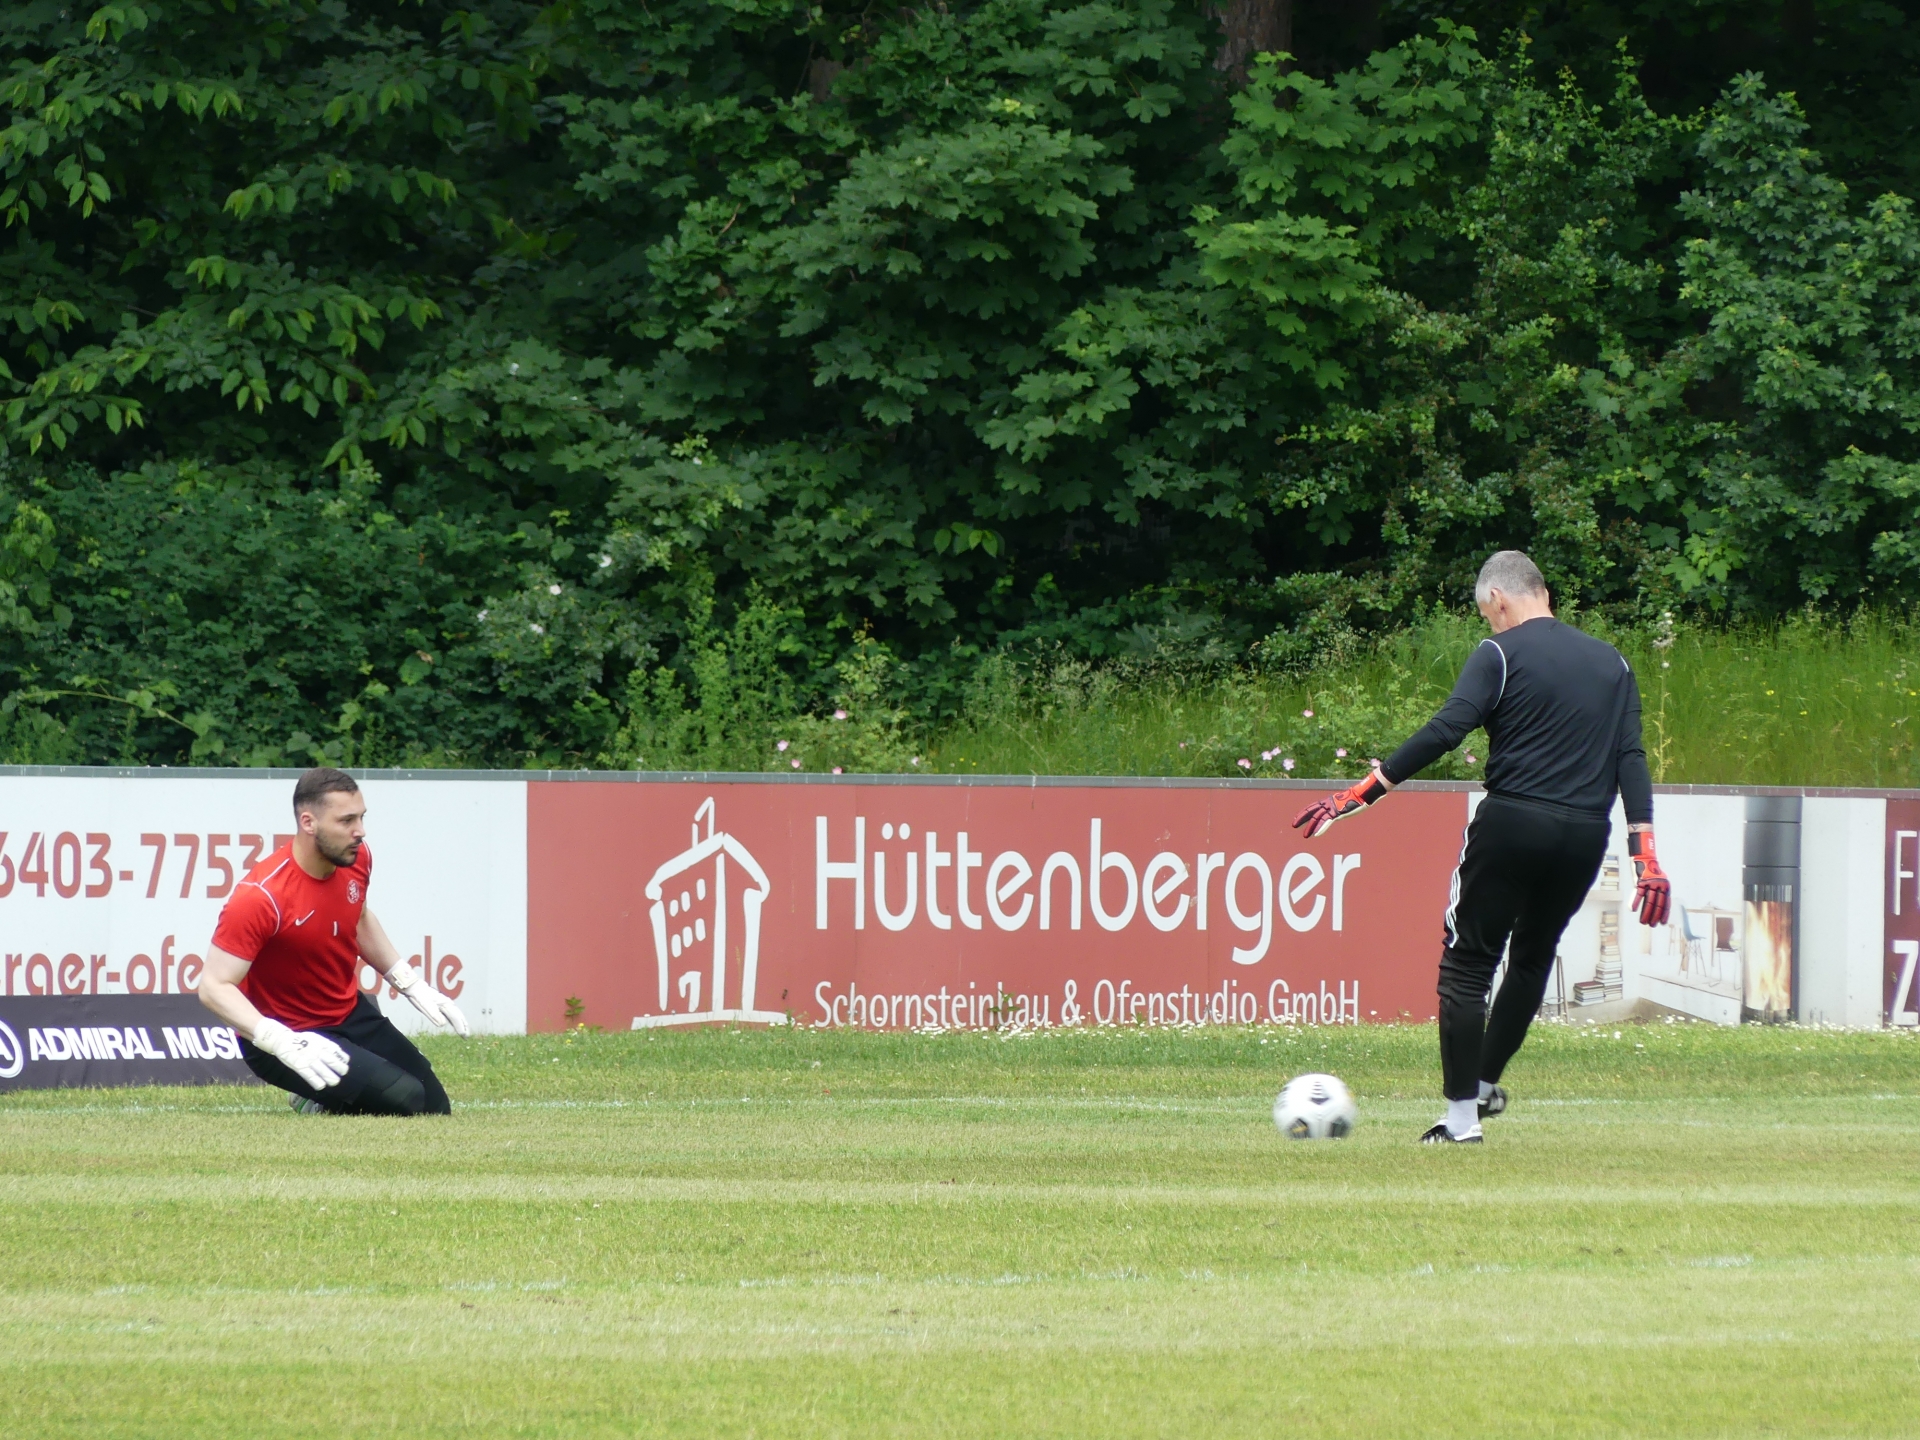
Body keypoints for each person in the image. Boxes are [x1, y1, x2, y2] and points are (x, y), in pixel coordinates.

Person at [1292, 551, 1670, 1144]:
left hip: (1512, 823)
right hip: (1584, 834)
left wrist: (1359, 795)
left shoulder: (1499, 652)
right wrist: (1645, 856)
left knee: (1467, 965)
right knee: (1533, 957)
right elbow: (1631, 758)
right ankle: (1486, 1085)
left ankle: (1462, 1121)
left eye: (1487, 614)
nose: (1489, 623)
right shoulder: (1613, 662)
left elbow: (1447, 729)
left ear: (1498, 598)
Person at [198, 767, 470, 1115]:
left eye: (361, 817)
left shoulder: (356, 857)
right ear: (309, 823)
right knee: (406, 1099)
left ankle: (324, 1095)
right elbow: (213, 987)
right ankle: (315, 1098)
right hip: (291, 1037)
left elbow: (359, 917)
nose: (360, 831)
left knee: (434, 1107)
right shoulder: (261, 897)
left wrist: (410, 983)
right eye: (346, 821)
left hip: (349, 1014)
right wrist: (280, 1041)